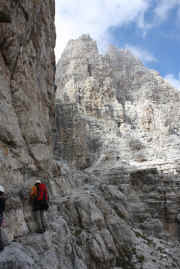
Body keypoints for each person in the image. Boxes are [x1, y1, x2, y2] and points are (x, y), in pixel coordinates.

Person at [0, 185, 6, 251]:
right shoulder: (3, 199)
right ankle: (1, 245)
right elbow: (3, 209)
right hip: (1, 216)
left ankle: (1, 246)